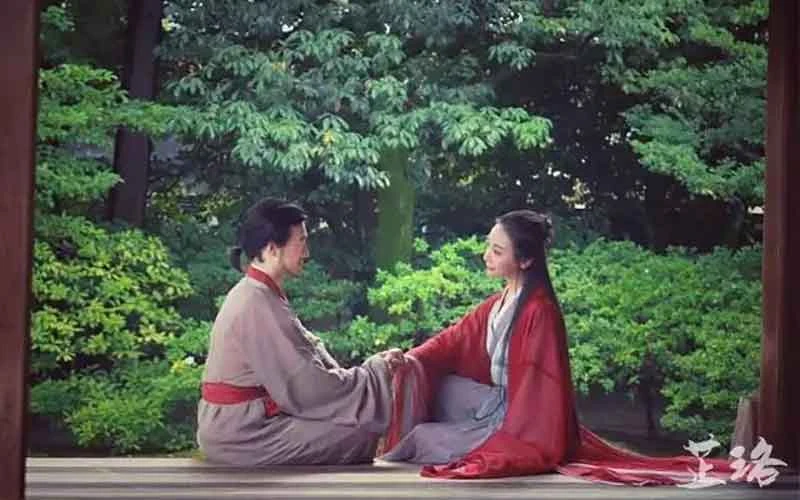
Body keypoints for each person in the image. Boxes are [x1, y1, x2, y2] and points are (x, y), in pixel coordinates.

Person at [381, 210, 733, 485]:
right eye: (488, 246)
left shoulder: (540, 312)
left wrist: (512, 434)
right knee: (435, 382)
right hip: (493, 402)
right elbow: (451, 340)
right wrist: (409, 359)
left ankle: (470, 438)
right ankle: (460, 431)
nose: (486, 255)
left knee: (422, 438)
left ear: (525, 260)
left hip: (519, 418)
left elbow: (541, 392)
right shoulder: (498, 302)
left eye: (497, 251)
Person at [197, 197, 405, 466]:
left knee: (354, 426)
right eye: (301, 242)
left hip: (243, 423)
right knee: (359, 433)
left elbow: (307, 365)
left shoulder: (260, 293)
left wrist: (365, 373)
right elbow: (306, 385)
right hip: (242, 433)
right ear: (272, 248)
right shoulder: (255, 301)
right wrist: (374, 372)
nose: (307, 252)